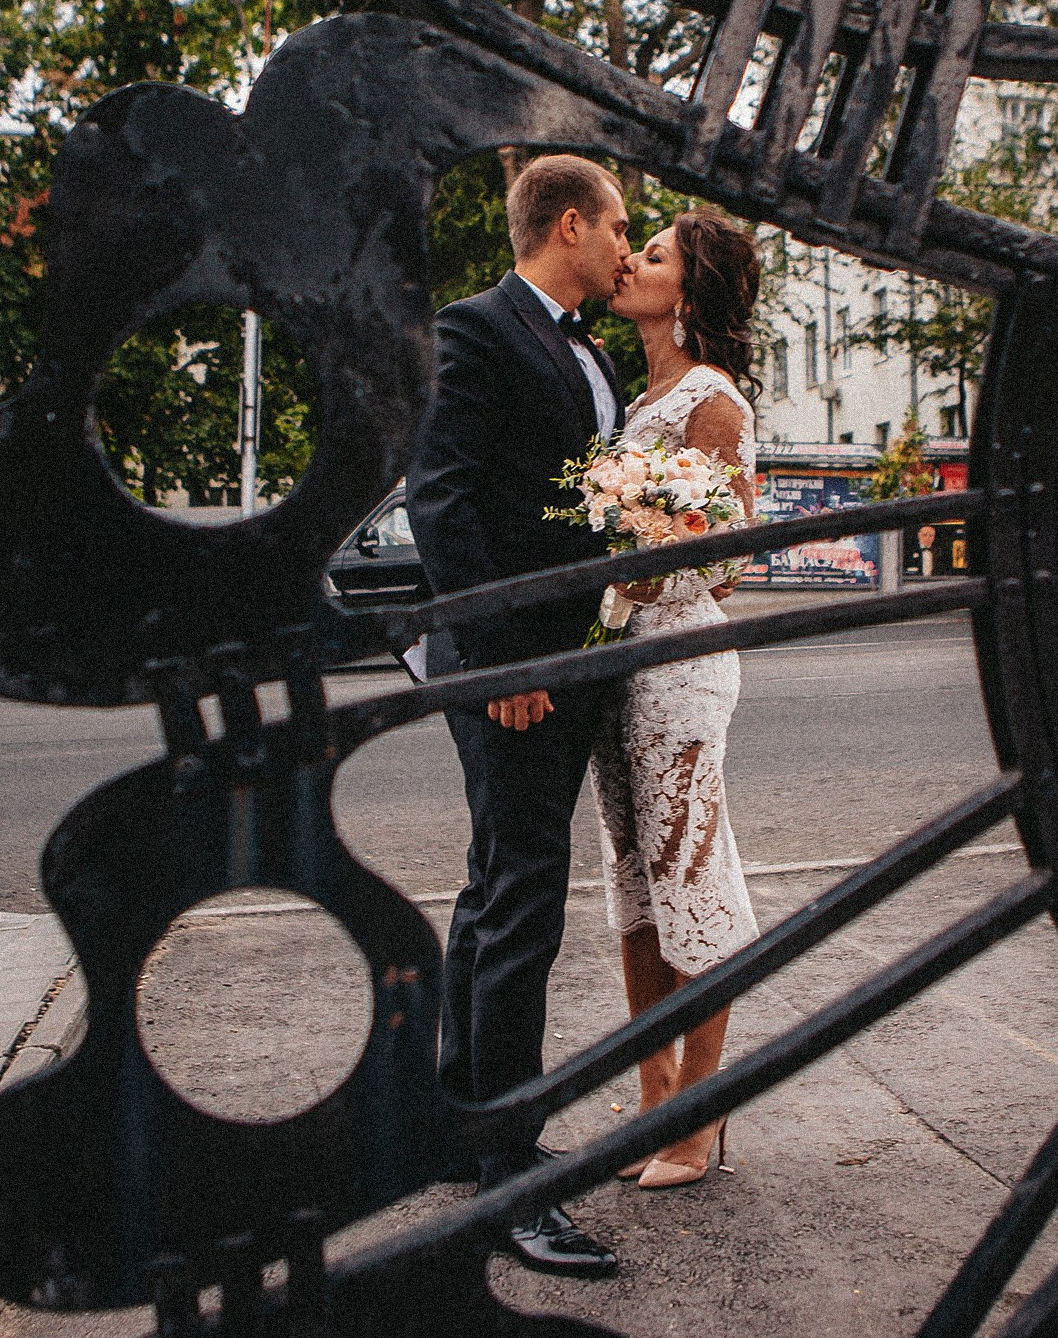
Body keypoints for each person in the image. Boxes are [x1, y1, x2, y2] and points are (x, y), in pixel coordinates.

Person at [407, 153, 631, 1279]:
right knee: (524, 899)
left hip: (562, 650)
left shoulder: (584, 340)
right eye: (617, 225)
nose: (626, 242)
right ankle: (510, 1176)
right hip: (510, 659)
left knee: (495, 880)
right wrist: (498, 655)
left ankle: (462, 1118)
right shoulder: (478, 327)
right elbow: (438, 493)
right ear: (570, 223)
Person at [590, 210, 762, 1189]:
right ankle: (651, 1098)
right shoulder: (639, 396)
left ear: (688, 294)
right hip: (619, 663)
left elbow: (727, 557)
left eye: (651, 255)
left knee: (691, 878)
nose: (631, 261)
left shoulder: (712, 399)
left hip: (681, 671)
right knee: (635, 884)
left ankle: (700, 1112)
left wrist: (632, 534)